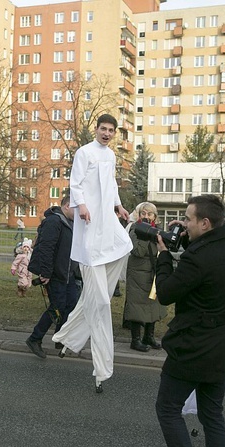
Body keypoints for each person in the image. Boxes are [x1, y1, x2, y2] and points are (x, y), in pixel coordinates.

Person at [152, 195, 225, 447]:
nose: (185, 223)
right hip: (223, 346)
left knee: (167, 409)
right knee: (212, 416)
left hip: (192, 347)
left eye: (189, 219)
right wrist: (190, 241)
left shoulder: (199, 257)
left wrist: (164, 256)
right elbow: (208, 267)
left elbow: (166, 293)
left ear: (205, 223)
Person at [52, 114, 132, 393]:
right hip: (89, 228)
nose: (107, 134)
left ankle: (66, 336)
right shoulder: (84, 152)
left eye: (111, 130)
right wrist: (81, 205)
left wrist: (118, 206)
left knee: (125, 246)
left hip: (106, 226)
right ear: (96, 129)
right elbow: (76, 183)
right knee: (99, 303)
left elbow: (110, 186)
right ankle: (101, 367)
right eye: (103, 129)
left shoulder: (110, 155)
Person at [25, 195, 80, 359]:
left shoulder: (70, 222)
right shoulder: (54, 221)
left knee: (71, 304)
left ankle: (60, 337)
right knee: (57, 306)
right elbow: (46, 248)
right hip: (55, 273)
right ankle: (35, 338)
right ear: (67, 206)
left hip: (68, 272)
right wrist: (46, 273)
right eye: (77, 209)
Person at [124, 202, 166, 352]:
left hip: (152, 271)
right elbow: (138, 251)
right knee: (137, 305)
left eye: (150, 214)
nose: (146, 217)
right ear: (139, 215)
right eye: (143, 214)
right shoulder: (135, 229)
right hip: (137, 272)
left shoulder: (158, 231)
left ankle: (149, 336)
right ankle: (135, 340)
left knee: (152, 304)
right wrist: (145, 233)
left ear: (155, 216)